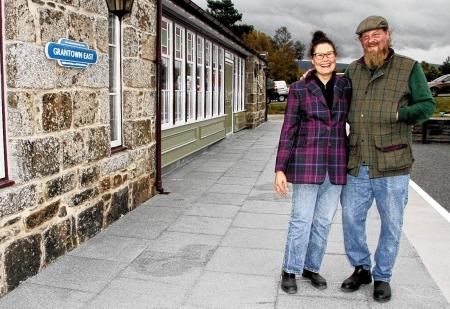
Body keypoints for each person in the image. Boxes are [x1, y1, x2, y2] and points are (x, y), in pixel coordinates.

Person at [340, 16, 435, 302]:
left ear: (386, 35)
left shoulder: (409, 67)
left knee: (392, 223)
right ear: (360, 42)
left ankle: (383, 276)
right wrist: (309, 79)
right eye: (364, 37)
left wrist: (399, 115)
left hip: (393, 165)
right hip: (357, 160)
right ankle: (361, 268)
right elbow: (333, 97)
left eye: (375, 34)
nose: (370, 40)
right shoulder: (353, 71)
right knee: (350, 218)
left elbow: (427, 105)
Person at [274, 31, 351, 293]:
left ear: (336, 57)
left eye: (329, 54)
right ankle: (290, 269)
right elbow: (288, 130)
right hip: (307, 164)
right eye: (320, 55)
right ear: (312, 59)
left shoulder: (345, 87)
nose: (325, 59)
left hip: (337, 165)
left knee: (323, 222)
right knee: (301, 220)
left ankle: (311, 267)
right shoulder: (299, 89)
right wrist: (280, 169)